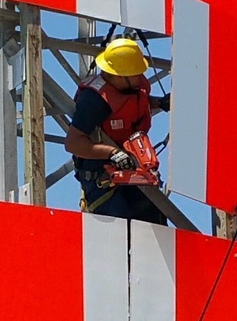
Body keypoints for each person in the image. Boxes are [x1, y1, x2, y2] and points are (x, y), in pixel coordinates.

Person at [64, 36, 167, 224]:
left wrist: (159, 103)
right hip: (102, 177)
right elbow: (73, 142)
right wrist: (112, 153)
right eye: (135, 74)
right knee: (118, 227)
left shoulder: (133, 84)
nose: (140, 78)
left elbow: (136, 103)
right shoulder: (94, 100)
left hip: (135, 167)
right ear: (120, 75)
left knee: (154, 221)